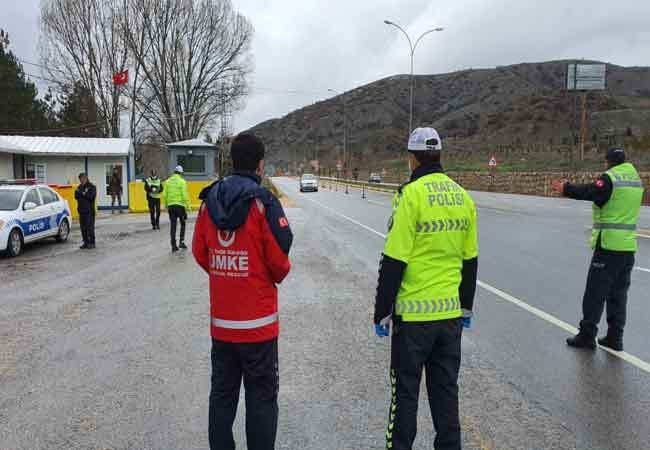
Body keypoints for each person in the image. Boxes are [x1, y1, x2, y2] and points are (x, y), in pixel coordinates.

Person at [374, 127, 478, 450]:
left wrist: (382, 311)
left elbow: (394, 260)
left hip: (413, 321)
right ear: (439, 154)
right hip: (449, 319)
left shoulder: (410, 196)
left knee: (404, 397)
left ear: (412, 158)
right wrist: (465, 308)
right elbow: (470, 262)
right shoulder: (463, 197)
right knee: (446, 398)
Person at [192, 133, 293, 450]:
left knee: (221, 398)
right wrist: (251, 275)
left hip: (223, 327)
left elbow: (199, 252)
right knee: (261, 400)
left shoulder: (210, 202)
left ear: (232, 161)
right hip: (259, 328)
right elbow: (280, 263)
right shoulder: (263, 203)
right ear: (260, 165)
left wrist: (225, 276)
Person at [552, 148, 643, 351]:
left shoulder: (611, 178)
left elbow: (592, 192)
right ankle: (615, 337)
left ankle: (587, 335)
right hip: (627, 247)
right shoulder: (635, 179)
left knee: (595, 293)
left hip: (608, 246)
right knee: (618, 295)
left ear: (608, 162)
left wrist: (567, 188)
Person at [163, 165, 191, 252]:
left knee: (173, 225)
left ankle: (173, 245)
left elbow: (164, 195)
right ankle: (181, 242)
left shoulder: (167, 182)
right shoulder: (182, 181)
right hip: (180, 206)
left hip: (171, 206)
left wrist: (166, 205)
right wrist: (188, 206)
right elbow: (184, 195)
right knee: (183, 223)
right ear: (181, 173)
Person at [75, 172, 97, 250]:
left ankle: (92, 243)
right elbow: (76, 196)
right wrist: (82, 193)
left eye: (83, 178)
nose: (81, 180)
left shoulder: (92, 187)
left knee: (90, 228)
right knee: (83, 228)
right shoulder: (79, 187)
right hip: (81, 211)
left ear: (86, 178)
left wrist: (83, 193)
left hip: (89, 211)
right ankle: (85, 242)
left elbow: (90, 197)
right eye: (80, 179)